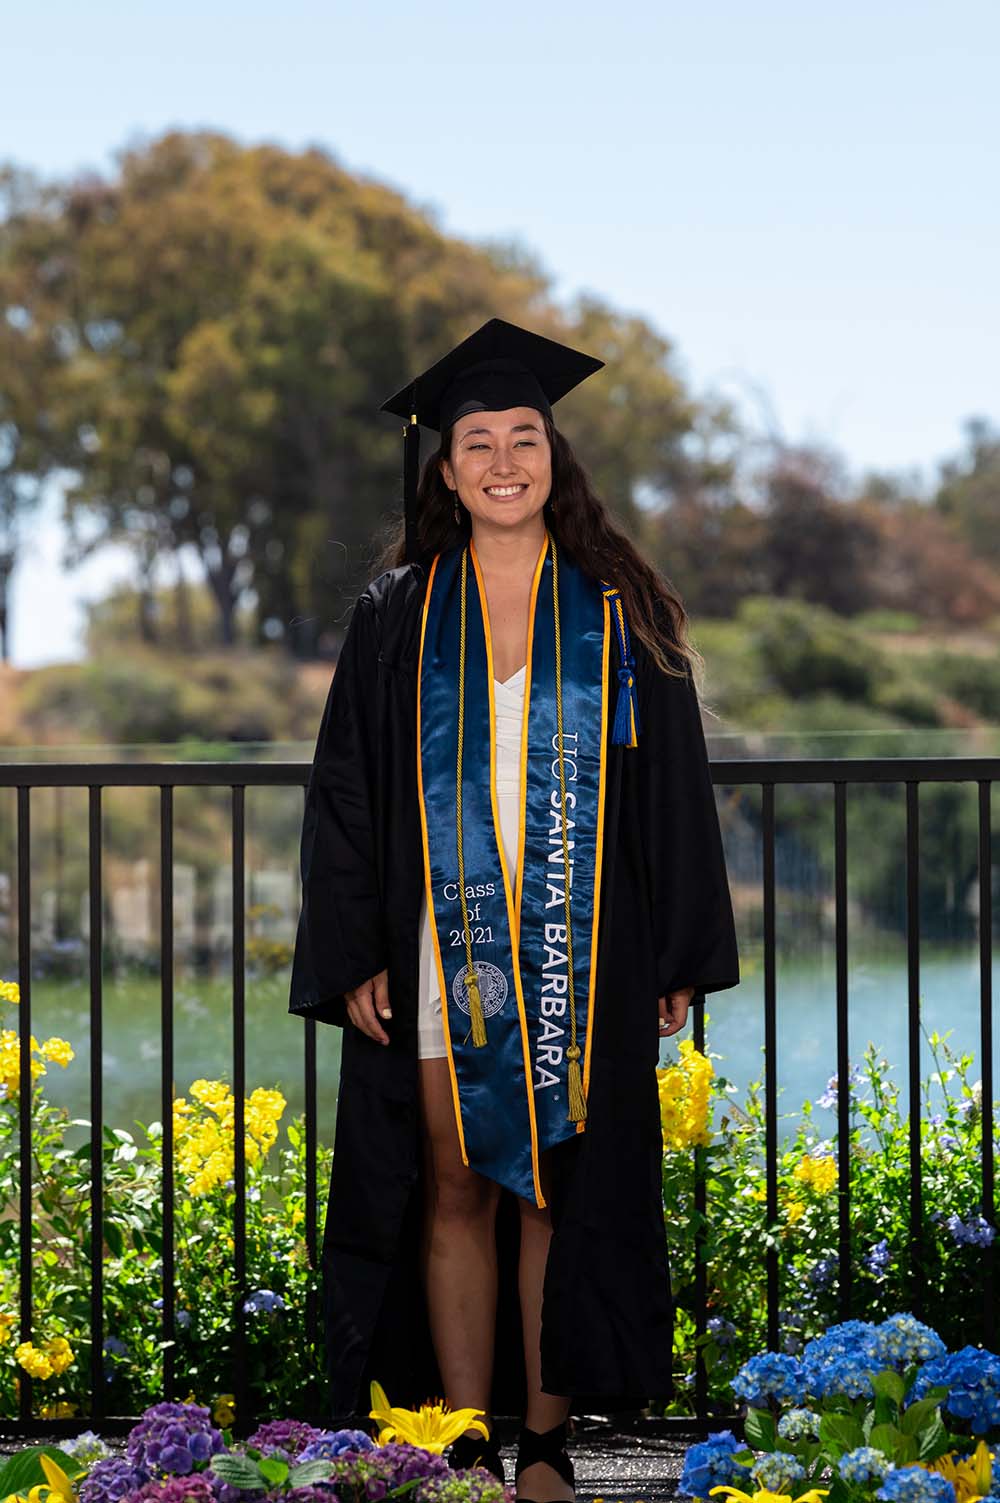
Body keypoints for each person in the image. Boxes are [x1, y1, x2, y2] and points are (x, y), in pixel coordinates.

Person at [289, 318, 741, 1503]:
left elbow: (673, 796)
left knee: (554, 1183)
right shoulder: (396, 615)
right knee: (452, 1180)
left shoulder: (615, 610)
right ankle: (463, 1437)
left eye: (522, 437)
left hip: (582, 949)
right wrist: (351, 957)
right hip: (441, 941)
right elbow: (345, 793)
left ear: (555, 456)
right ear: (443, 470)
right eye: (476, 442)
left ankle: (543, 1442)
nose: (501, 460)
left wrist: (676, 953)